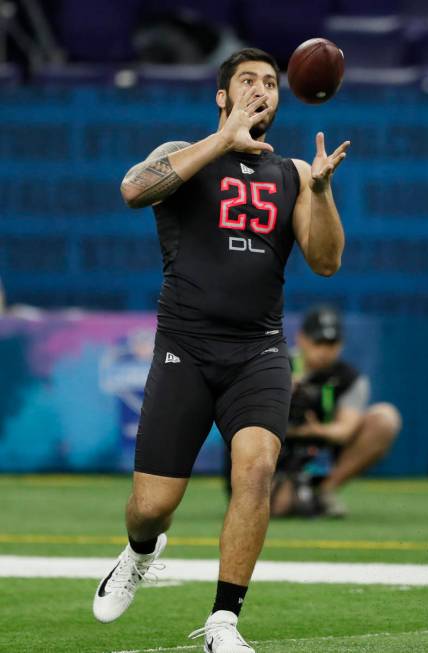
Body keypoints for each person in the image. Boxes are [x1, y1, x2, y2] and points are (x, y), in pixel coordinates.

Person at [92, 48, 350, 653]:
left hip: (257, 351)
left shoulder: (290, 174)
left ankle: (223, 622)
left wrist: (322, 189)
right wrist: (221, 141)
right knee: (152, 505)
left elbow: (327, 261)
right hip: (184, 345)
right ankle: (139, 550)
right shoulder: (183, 154)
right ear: (222, 97)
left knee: (256, 468)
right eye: (247, 81)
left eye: (270, 82)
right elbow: (133, 190)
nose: (262, 88)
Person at [271, 306, 402, 519]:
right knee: (279, 508)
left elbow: (345, 431)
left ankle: (324, 491)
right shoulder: (276, 366)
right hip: (278, 447)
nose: (325, 351)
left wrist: (314, 430)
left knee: (386, 418)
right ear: (301, 338)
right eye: (318, 342)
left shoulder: (349, 378)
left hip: (324, 450)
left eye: (332, 344)